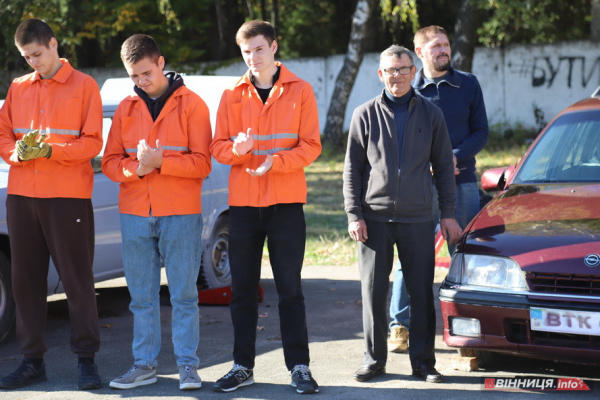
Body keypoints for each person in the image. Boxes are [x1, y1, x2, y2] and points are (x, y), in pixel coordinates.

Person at [210, 20, 321, 395]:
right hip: (243, 206)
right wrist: (236, 151)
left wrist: (276, 161)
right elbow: (217, 148)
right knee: (241, 290)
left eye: (259, 49)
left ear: (274, 47)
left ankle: (300, 367)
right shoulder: (231, 94)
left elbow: (311, 145)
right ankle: (243, 366)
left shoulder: (300, 90)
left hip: (286, 204)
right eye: (246, 51)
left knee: (290, 289)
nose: (253, 57)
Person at [343, 44, 462, 384]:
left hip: (418, 217)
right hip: (374, 217)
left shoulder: (431, 114)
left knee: (421, 291)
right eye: (390, 70)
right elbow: (351, 169)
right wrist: (355, 214)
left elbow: (442, 166)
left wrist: (448, 214)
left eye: (403, 69)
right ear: (381, 75)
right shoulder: (364, 114)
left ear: (414, 72)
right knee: (373, 291)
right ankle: (374, 360)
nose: (396, 75)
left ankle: (423, 363)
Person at [101, 34, 212, 391]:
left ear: (161, 62)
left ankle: (188, 367)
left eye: (146, 73)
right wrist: (138, 170)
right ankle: (144, 365)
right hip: (134, 212)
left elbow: (203, 163)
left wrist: (163, 162)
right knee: (141, 298)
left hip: (180, 212)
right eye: (133, 76)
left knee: (183, 295)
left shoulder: (193, 105)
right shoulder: (124, 108)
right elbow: (109, 163)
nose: (141, 82)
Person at [0, 18, 103, 391]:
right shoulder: (17, 88)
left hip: (67, 198)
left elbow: (93, 143)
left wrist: (50, 150)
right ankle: (32, 362)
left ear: (54, 44)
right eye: (26, 57)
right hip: (22, 196)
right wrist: (15, 153)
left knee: (77, 281)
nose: (32, 62)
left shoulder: (85, 86)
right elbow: (3, 134)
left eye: (37, 54)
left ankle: (87, 360)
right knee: (25, 282)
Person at [388, 25, 489, 352]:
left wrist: (452, 158)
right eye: (435, 46)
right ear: (419, 53)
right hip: (419, 186)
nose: (443, 50)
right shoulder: (408, 91)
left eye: (445, 45)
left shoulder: (468, 84)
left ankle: (470, 330)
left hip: (462, 182)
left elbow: (481, 132)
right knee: (409, 256)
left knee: (464, 256)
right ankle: (399, 327)